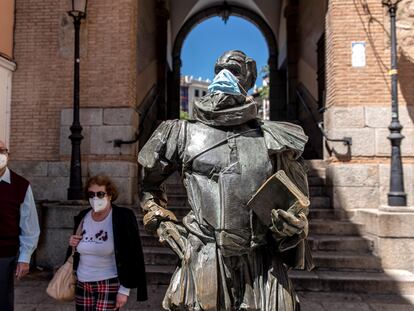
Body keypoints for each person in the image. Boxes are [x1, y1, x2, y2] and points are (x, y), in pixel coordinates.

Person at [138, 50, 313, 310]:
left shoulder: (274, 140)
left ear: (246, 79)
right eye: (219, 69)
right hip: (204, 254)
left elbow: (298, 207)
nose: (223, 76)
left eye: (233, 71)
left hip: (261, 263)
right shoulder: (180, 133)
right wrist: (162, 222)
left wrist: (294, 228)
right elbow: (148, 187)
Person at [68, 175, 147, 310]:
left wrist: (124, 290)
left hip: (108, 282)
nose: (95, 198)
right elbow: (76, 250)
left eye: (100, 194)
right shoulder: (83, 216)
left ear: (109, 195)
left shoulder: (123, 217)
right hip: (82, 282)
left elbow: (133, 254)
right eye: (91, 194)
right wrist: (72, 243)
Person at [0, 140, 40, 311]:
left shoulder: (20, 185)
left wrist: (24, 258)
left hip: (4, 255)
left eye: (1, 150)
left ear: (8, 154)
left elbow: (29, 225)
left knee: (2, 302)